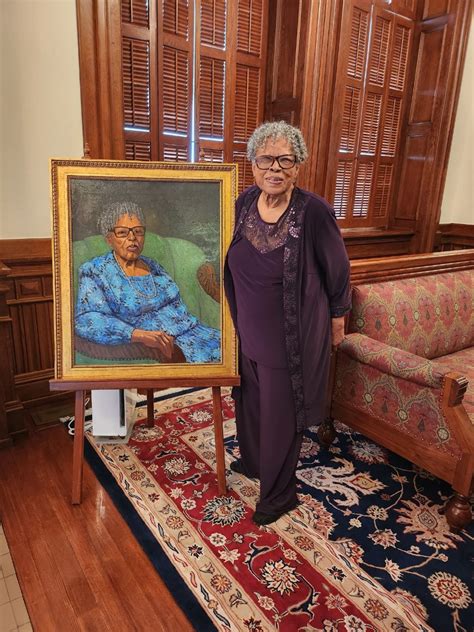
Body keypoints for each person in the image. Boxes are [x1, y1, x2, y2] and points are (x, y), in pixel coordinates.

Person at [224, 121, 351, 526]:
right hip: (247, 331)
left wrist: (338, 319)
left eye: (285, 160)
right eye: (266, 159)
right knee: (252, 405)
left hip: (288, 338)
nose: (274, 168)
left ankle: (278, 495)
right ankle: (256, 463)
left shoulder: (314, 211)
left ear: (298, 166)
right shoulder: (244, 202)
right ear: (253, 164)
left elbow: (338, 269)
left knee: (281, 415)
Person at [75, 201, 221, 363]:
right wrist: (138, 334)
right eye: (123, 233)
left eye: (138, 231)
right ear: (109, 238)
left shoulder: (153, 266)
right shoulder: (95, 270)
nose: (132, 238)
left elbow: (178, 308)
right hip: (173, 346)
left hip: (197, 333)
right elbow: (86, 320)